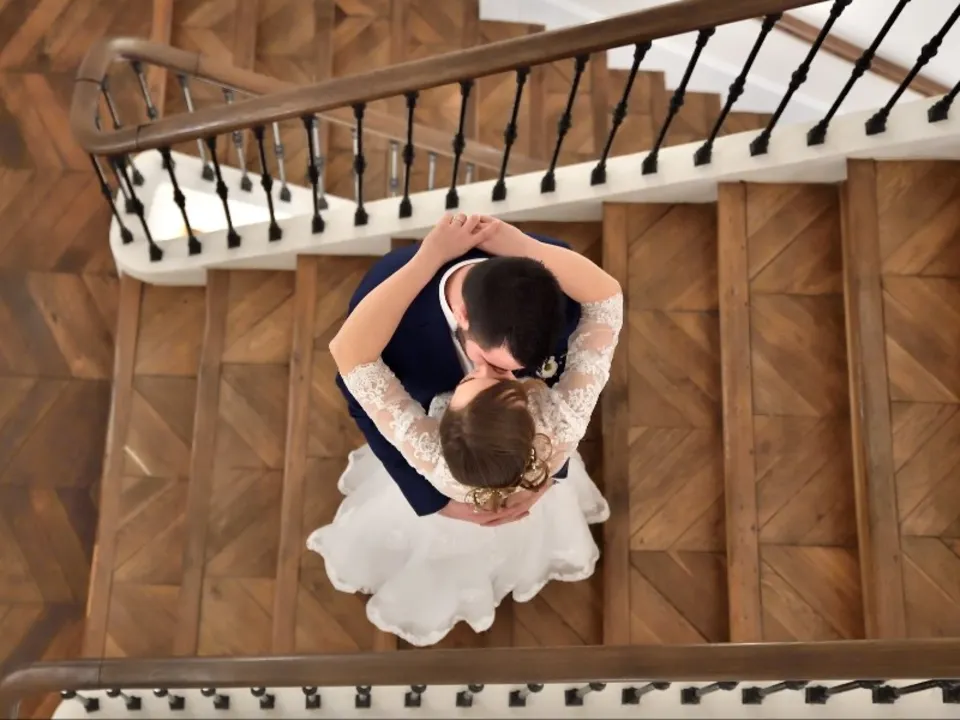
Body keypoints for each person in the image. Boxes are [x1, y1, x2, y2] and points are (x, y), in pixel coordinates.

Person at [306, 213, 623, 646]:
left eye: (487, 377)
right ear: (462, 315)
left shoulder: (552, 282)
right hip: (523, 466)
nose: (502, 375)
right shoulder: (387, 288)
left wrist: (534, 470)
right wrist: (542, 473)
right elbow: (356, 395)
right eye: (494, 366)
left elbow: (352, 360)